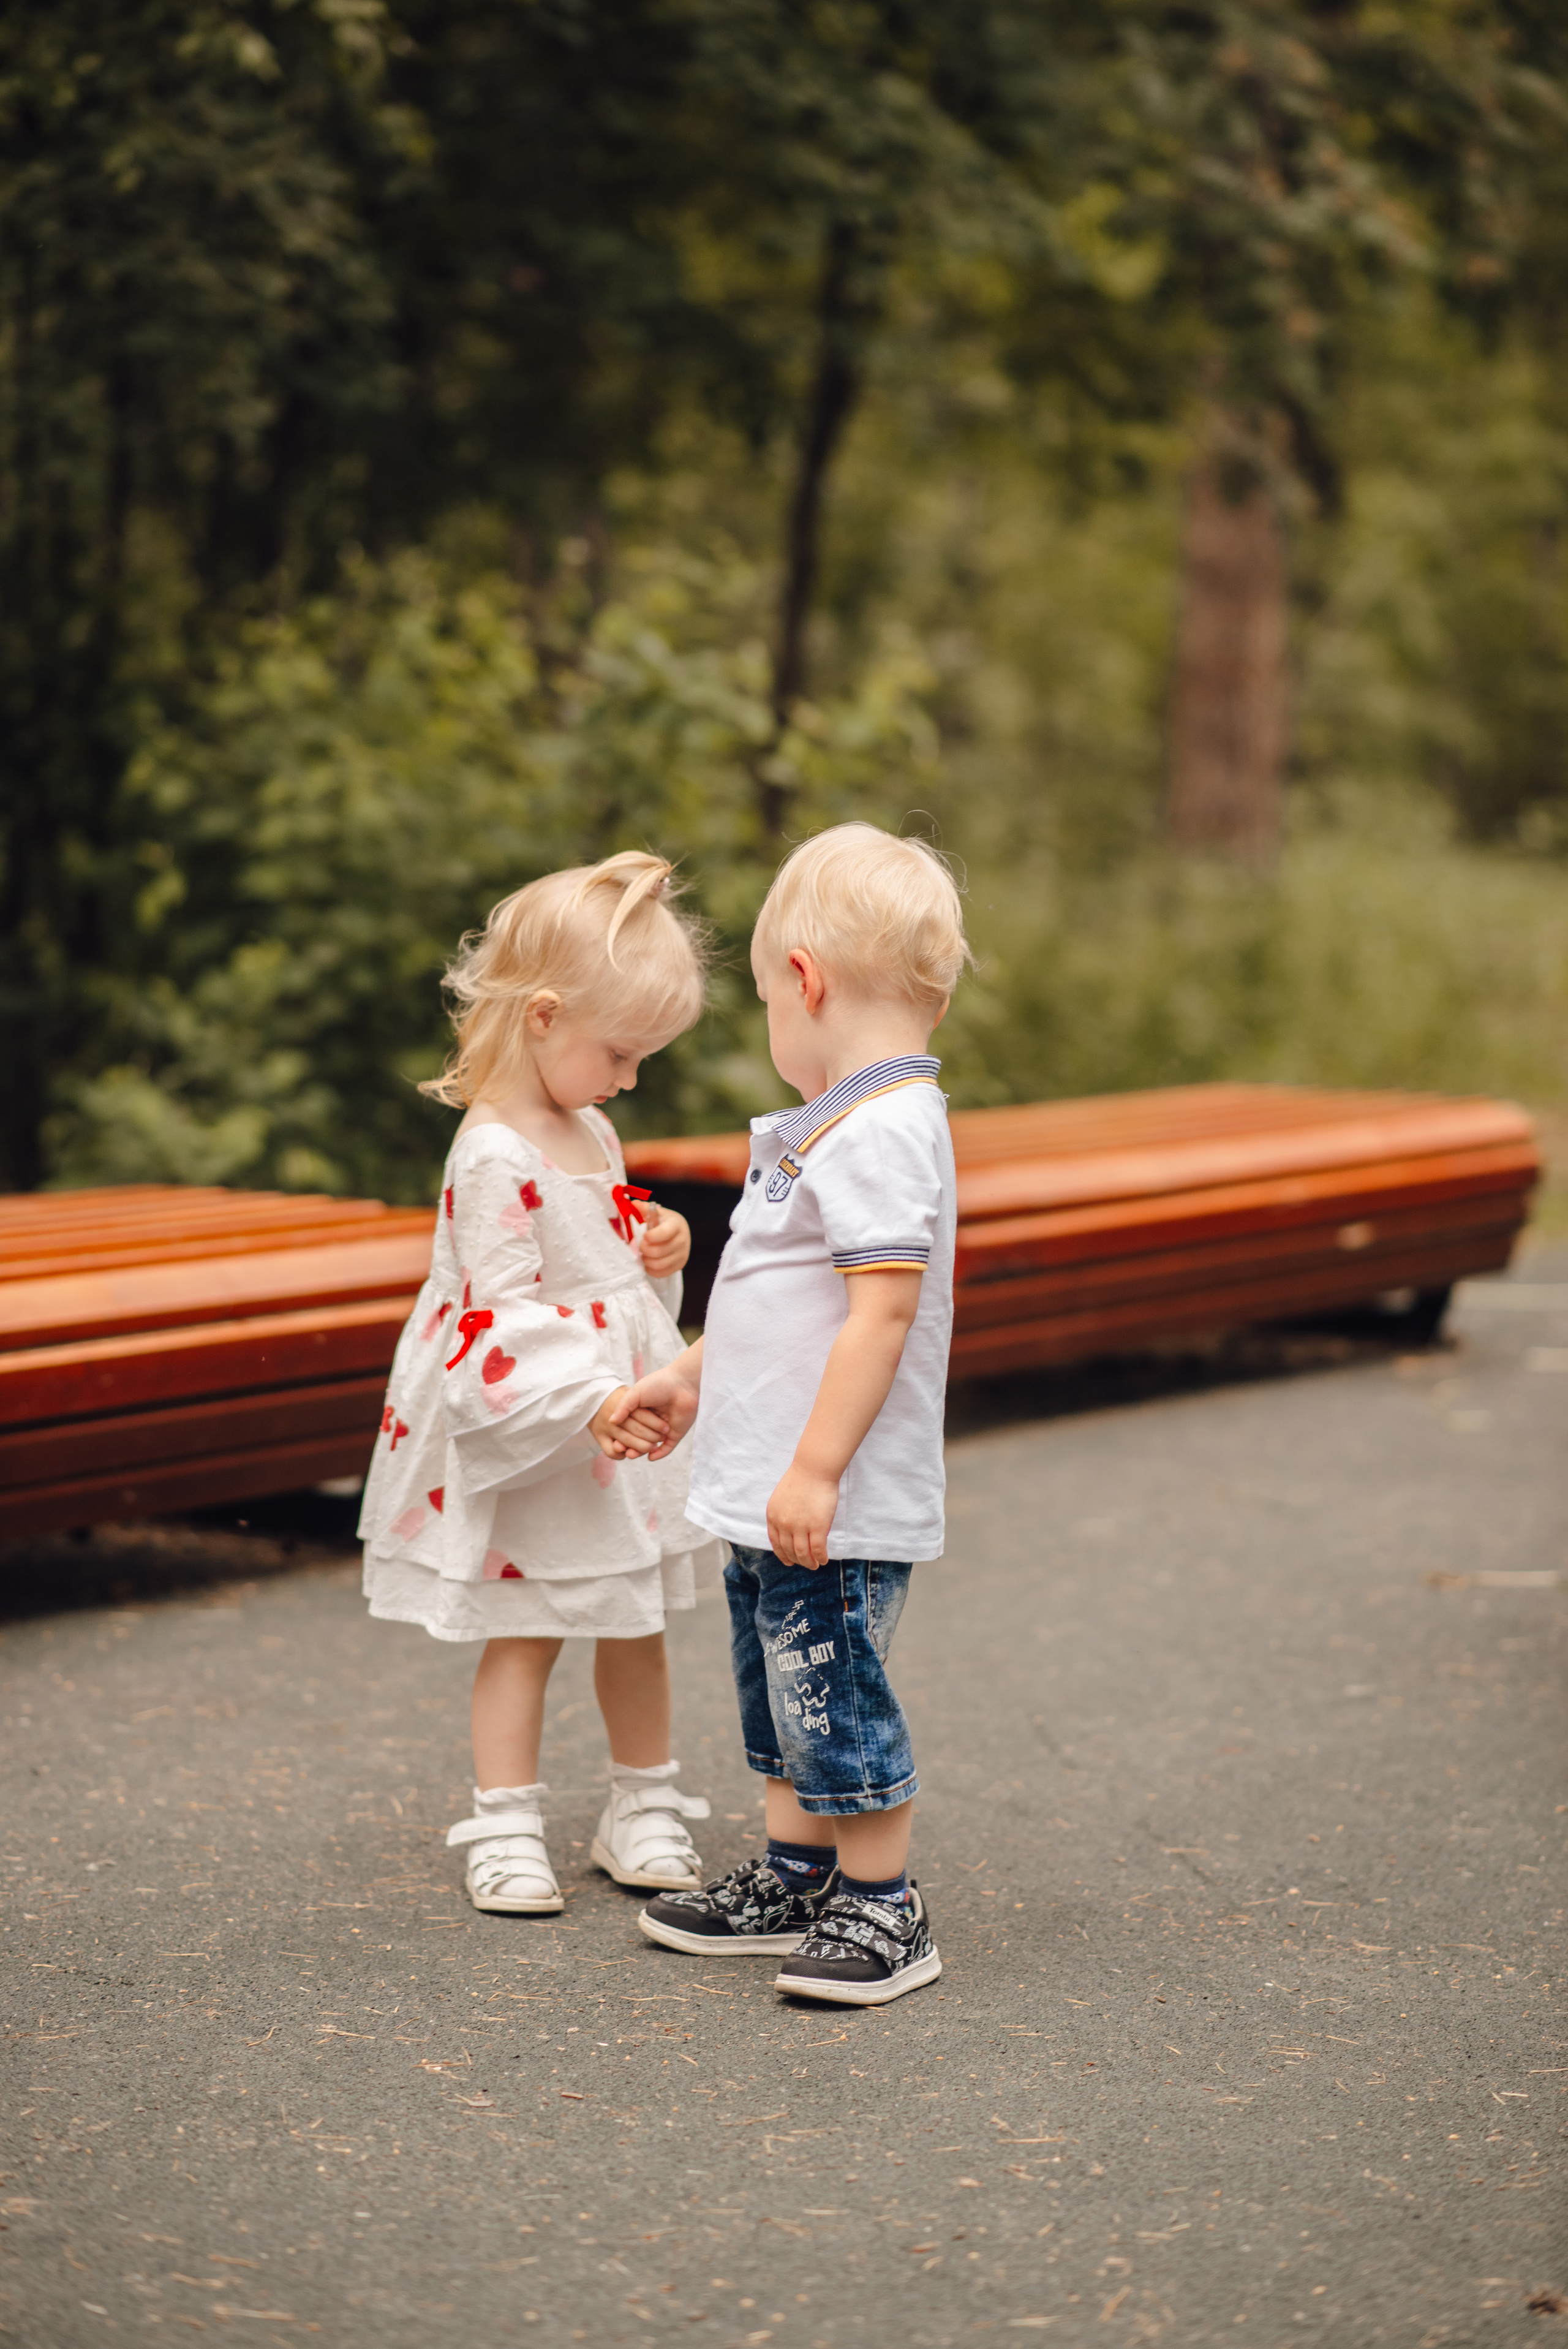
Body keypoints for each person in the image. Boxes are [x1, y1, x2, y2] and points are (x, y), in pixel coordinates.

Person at [612, 823, 970, 2005]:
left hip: (828, 1496)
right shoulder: (830, 1129)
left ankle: (885, 1906)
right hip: (770, 1485)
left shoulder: (880, 1134)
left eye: (769, 996)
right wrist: (688, 1376)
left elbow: (878, 1318)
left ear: (805, 979)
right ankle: (797, 1874)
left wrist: (817, 1469)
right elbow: (772, 1306)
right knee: (780, 1685)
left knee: (833, 1683)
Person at [358, 852, 724, 1918]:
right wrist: (588, 1404)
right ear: (546, 1017)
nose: (630, 1076)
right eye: (621, 1051)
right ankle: (506, 1818)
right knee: (526, 1622)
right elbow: (501, 1317)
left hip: (616, 1410)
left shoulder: (593, 1127)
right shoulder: (490, 1154)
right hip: (540, 1418)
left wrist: (660, 1245)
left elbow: (600, 1266)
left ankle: (640, 1804)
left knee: (633, 1617)